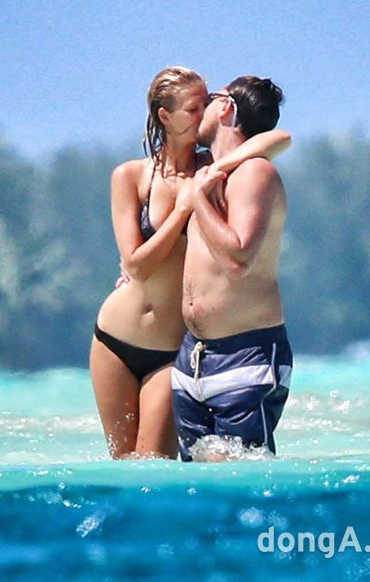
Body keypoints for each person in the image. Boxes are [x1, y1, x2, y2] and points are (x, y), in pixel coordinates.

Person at [90, 67, 291, 459]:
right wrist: (183, 208)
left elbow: (280, 138)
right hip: (114, 337)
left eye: (207, 104)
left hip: (172, 348)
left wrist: (211, 174)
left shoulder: (211, 168)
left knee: (152, 465)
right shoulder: (132, 175)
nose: (203, 114)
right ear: (166, 116)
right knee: (123, 468)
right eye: (194, 108)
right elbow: (137, 266)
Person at [171, 76, 293, 462]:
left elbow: (238, 259)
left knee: (244, 484)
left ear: (225, 107)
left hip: (246, 354)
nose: (199, 109)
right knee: (199, 487)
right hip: (193, 357)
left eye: (208, 100)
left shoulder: (255, 173)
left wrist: (198, 198)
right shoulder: (210, 172)